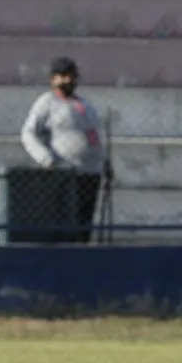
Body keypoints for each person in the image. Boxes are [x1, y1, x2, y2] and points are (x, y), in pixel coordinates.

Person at [20, 56, 107, 243]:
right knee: (67, 225)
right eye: (63, 76)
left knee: (84, 226)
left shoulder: (84, 104)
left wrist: (105, 162)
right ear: (53, 79)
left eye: (72, 76)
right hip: (65, 174)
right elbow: (29, 133)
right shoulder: (47, 102)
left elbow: (94, 137)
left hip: (90, 173)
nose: (68, 80)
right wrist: (45, 158)